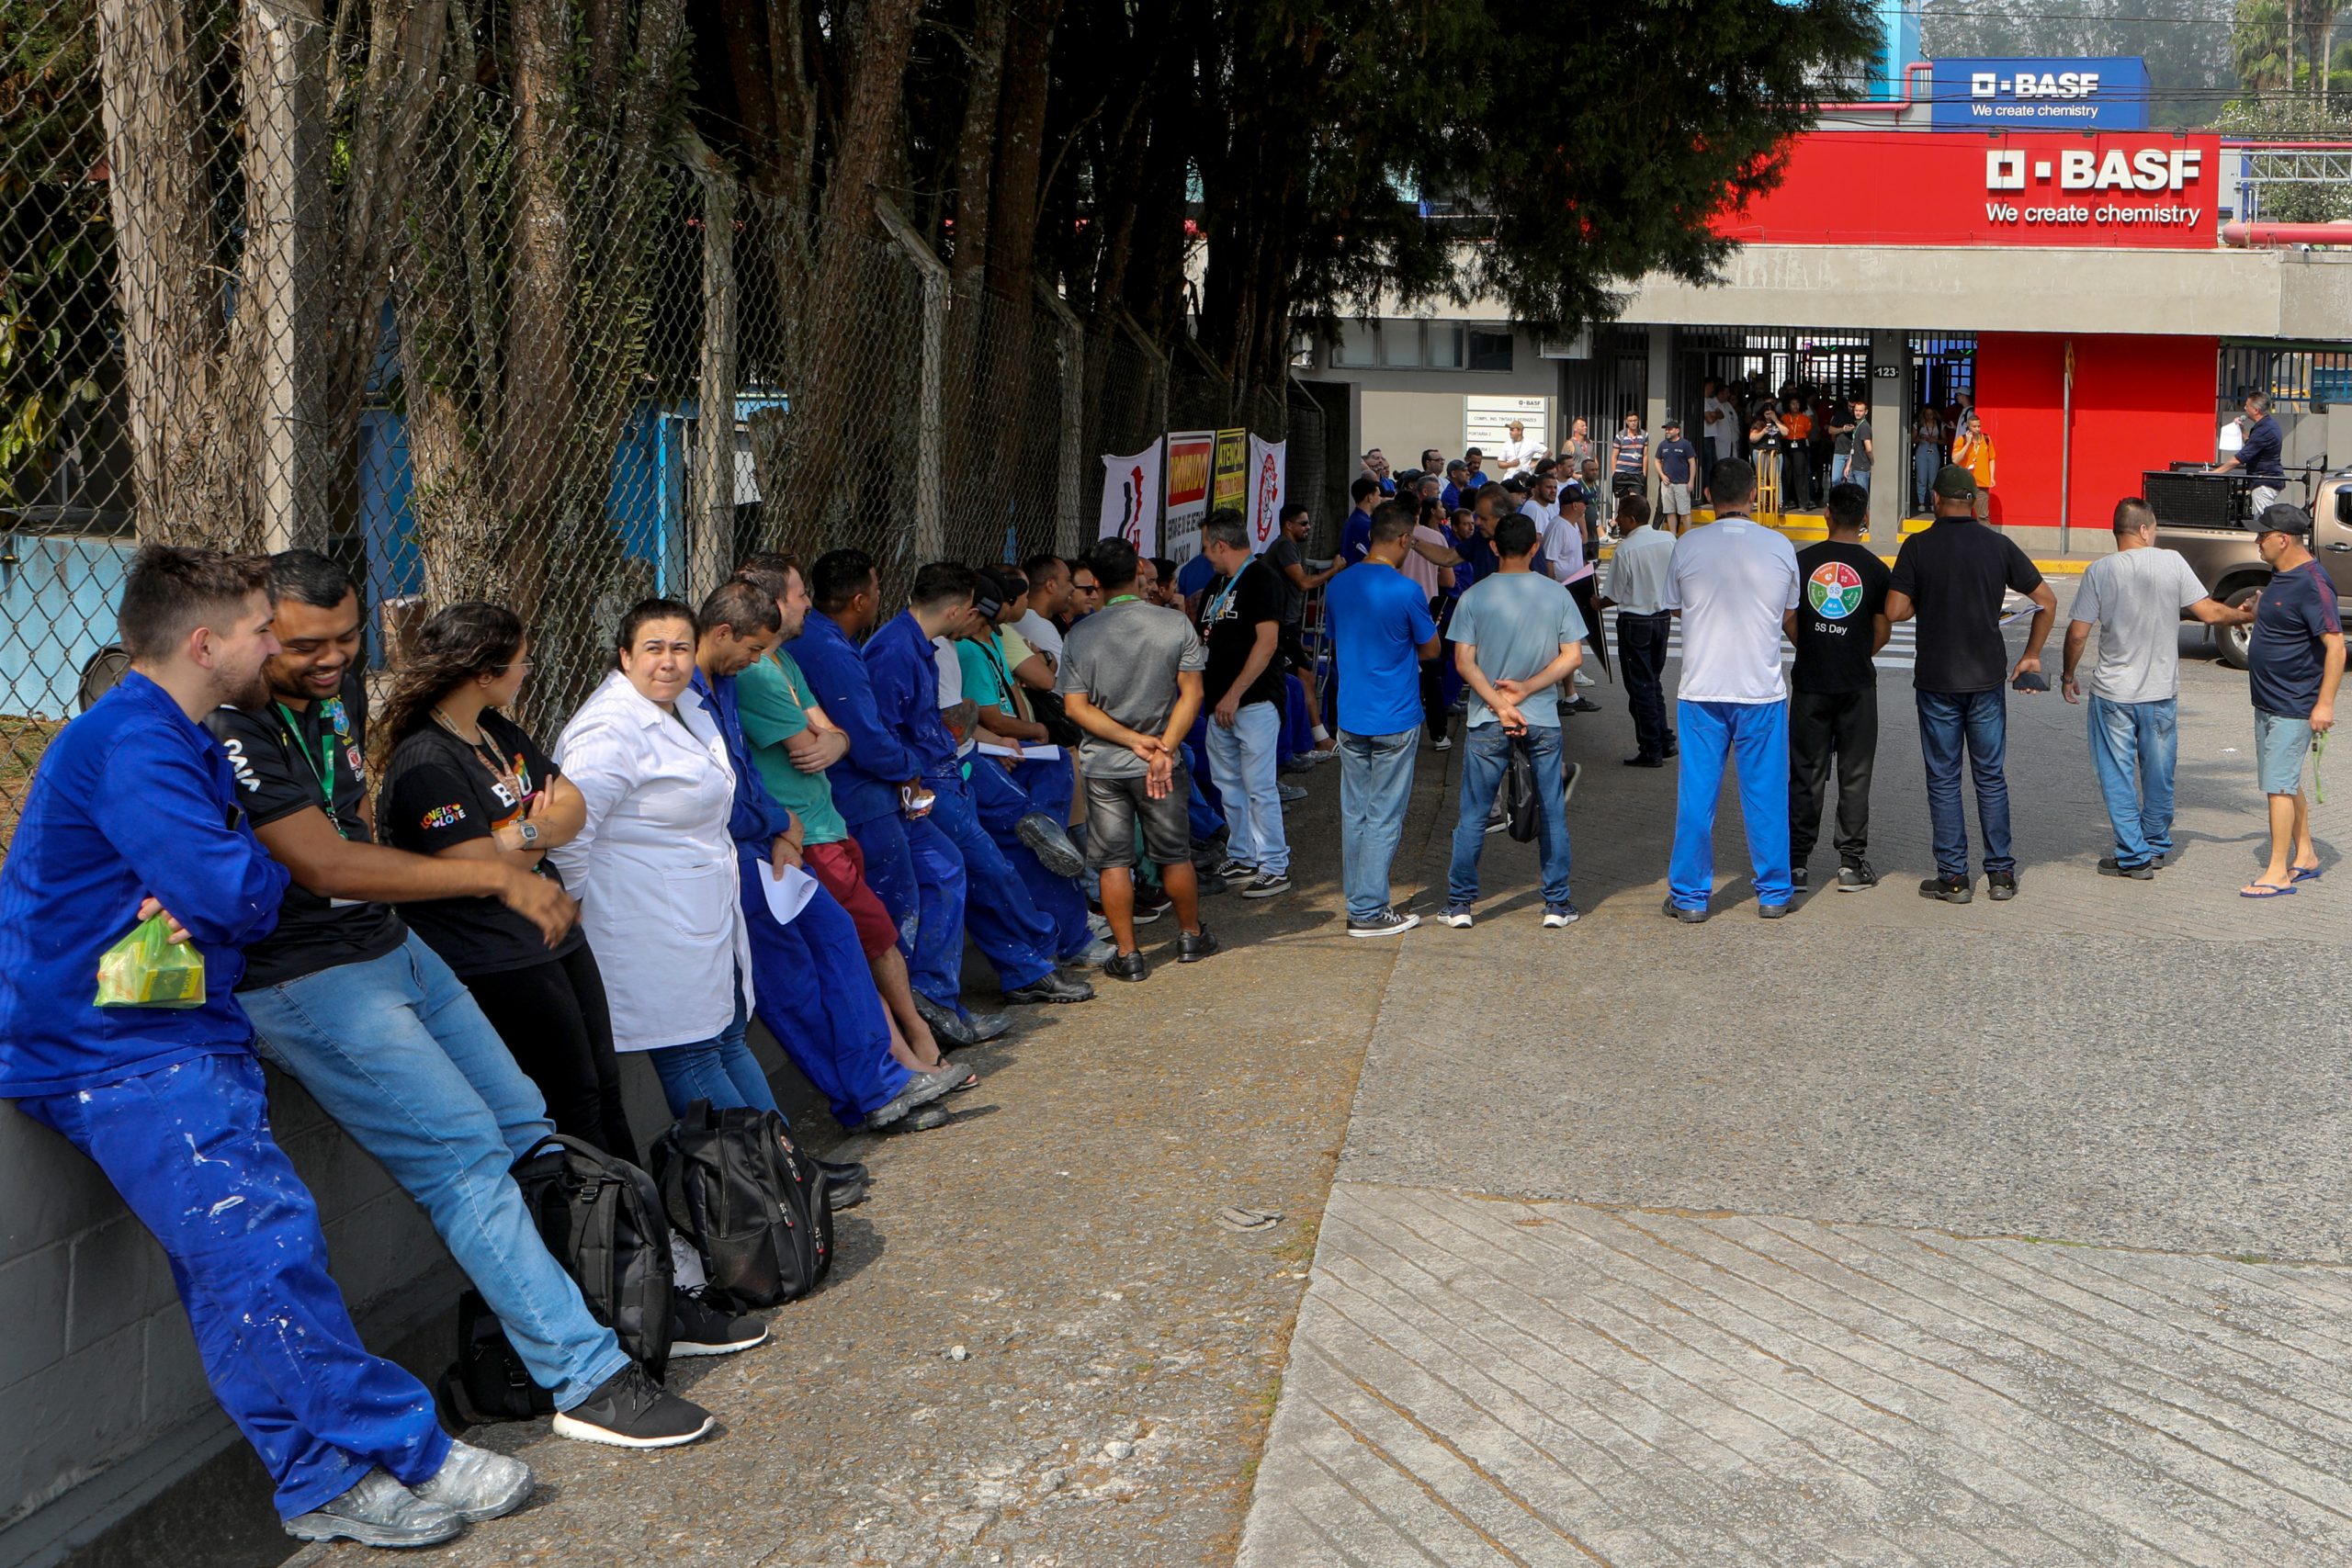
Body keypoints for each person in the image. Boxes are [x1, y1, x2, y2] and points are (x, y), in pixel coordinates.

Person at [0, 547, 535, 1549]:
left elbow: (230, 887)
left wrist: (225, 870)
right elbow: (244, 897)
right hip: (115, 1051)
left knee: (234, 1267)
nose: (274, 644)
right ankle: (411, 1446)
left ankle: (319, 1481)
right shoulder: (138, 747)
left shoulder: (175, 735)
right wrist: (242, 865)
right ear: (206, 644)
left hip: (171, 1031)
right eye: (259, 630)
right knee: (265, 1244)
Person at [209, 554, 717, 1451]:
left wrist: (499, 855)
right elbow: (325, 862)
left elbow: (380, 831)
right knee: (465, 1157)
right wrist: (497, 870)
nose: (332, 659)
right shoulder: (230, 729)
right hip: (308, 980)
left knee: (528, 1122)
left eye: (346, 638)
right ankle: (582, 1377)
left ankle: (620, 1318)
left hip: (389, 947)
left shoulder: (328, 703)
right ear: (251, 633)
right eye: (305, 644)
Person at [687, 580, 968, 1132]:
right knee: (791, 984)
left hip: (775, 835)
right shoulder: (706, 687)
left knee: (842, 940)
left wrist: (780, 821)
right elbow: (746, 775)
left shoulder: (729, 678)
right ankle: (868, 1094)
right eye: (751, 649)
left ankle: (884, 1079)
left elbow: (825, 742)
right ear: (723, 632)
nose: (757, 660)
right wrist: (780, 823)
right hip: (746, 850)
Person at [371, 603, 637, 1162]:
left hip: (554, 932)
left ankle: (644, 1230)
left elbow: (574, 806)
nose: (526, 672)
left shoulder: (494, 729)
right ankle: (600, 1241)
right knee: (571, 1100)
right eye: (520, 663)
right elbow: (479, 873)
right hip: (496, 955)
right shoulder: (426, 760)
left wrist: (522, 833)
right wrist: (537, 833)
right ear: (484, 673)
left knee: (606, 1086)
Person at [791, 549, 1009, 1049]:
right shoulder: (837, 648)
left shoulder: (834, 641)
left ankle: (933, 1000)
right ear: (861, 598)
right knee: (900, 904)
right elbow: (868, 735)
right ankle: (917, 1013)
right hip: (867, 796)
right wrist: (908, 772)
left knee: (944, 872)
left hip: (886, 787)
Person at [870, 562, 1098, 1005]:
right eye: (976, 611)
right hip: (930, 779)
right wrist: (917, 781)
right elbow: (898, 730)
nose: (980, 622)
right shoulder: (898, 650)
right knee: (987, 870)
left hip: (954, 767)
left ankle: (1029, 963)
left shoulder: (925, 645)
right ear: (958, 610)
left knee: (994, 863)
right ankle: (1030, 954)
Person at [1885, 466, 2058, 904]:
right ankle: (2001, 875)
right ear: (1975, 503)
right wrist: (2031, 654)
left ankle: (1954, 879)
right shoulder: (1997, 545)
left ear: (1937, 501)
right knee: (1990, 777)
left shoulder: (1918, 546)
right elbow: (2046, 601)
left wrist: (1924, 593)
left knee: (1944, 779)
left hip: (1938, 680)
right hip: (1985, 680)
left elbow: (1895, 612)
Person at [2061, 498, 2253, 879]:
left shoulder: (2099, 571)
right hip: (2160, 693)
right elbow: (2212, 613)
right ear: (2145, 529)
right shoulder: (2172, 562)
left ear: (2117, 531)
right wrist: (2247, 614)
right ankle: (2156, 847)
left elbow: (2078, 633)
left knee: (2116, 775)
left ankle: (2133, 856)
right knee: (2159, 774)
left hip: (2113, 694)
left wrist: (2068, 676)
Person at [1056, 536, 1220, 981]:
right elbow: (1193, 694)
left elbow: (1075, 707)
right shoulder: (1171, 625)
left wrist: (1130, 741)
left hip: (1105, 766)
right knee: (1174, 854)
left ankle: (1128, 955)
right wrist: (1162, 746)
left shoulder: (1081, 632)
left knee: (1112, 862)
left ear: (1095, 581)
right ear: (1138, 571)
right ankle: (1190, 935)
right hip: (1160, 764)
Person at [1660, 459, 1802, 923]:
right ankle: (1774, 892)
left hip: (1702, 688)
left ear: (1706, 493)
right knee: (1765, 795)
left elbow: (1677, 608)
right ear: (1755, 495)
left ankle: (1690, 897)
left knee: (1696, 797)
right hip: (1761, 690)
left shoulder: (1687, 545)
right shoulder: (1780, 546)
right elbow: (1786, 613)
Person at [1437, 512, 1586, 931]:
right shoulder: (1556, 595)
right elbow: (1572, 656)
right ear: (1535, 548)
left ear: (1494, 547)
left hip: (1487, 719)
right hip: (1541, 719)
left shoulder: (1474, 597)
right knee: (1552, 811)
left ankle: (1460, 904)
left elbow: (1464, 662)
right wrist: (1527, 688)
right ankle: (1557, 904)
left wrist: (1500, 704)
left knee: (1473, 814)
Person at [1324, 500, 1442, 935]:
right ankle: (1369, 909)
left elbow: (1338, 637)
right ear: (1405, 540)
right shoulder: (1407, 590)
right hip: (1394, 713)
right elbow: (1431, 650)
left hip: (1351, 712)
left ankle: (1359, 899)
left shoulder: (1338, 584)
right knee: (1384, 815)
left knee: (1355, 812)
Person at [1787, 483, 1892, 893]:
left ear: (1826, 514)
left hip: (1810, 682)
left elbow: (1788, 617)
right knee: (1855, 773)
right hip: (1857, 684)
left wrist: (1813, 645)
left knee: (1805, 772)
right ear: (1864, 518)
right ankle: (1850, 863)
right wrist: (1854, 650)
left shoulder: (1801, 562)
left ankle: (1796, 863)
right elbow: (1882, 629)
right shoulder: (1876, 569)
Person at [2237, 503, 2344, 897]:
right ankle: (2307, 856)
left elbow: (2335, 647)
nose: (2256, 541)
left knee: (2277, 788)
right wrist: (2259, 606)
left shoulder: (2314, 583)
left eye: (2262, 536)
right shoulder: (2281, 575)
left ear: (2283, 539)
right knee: (2283, 780)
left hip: (2294, 702)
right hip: (2268, 699)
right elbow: (2285, 617)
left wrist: (2325, 704)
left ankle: (2278, 872)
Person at [1196, 512, 1293, 898]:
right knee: (1228, 784)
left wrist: (1235, 693)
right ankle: (1242, 853)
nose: (1204, 555)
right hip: (1219, 704)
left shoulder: (1262, 578)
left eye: (1206, 547)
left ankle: (1274, 863)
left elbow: (1267, 643)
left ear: (1221, 544)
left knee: (1259, 786)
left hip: (1252, 702)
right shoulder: (1216, 583)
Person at [1600, 492, 1677, 767]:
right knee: (1653, 681)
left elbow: (1614, 594)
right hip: (1662, 619)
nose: (1617, 520)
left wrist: (1597, 603)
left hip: (1636, 621)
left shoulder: (1626, 549)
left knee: (1640, 686)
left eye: (1620, 515)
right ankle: (1664, 738)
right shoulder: (1669, 539)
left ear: (1631, 520)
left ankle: (1651, 747)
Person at [1265, 500, 1339, 756]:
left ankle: (1313, 737)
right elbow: (1304, 583)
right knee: (1306, 675)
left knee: (1305, 674)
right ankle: (1319, 738)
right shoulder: (1284, 546)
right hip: (1283, 625)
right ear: (1288, 524)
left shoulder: (1288, 547)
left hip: (1290, 625)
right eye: (1303, 523)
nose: (1308, 527)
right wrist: (1334, 569)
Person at [1405, 494, 1464, 747]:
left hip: (1395, 611)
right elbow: (1449, 581)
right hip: (1428, 610)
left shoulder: (1389, 540)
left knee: (1400, 670)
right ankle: (1439, 733)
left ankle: (1403, 728)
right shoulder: (1436, 538)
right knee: (1432, 672)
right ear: (1420, 511)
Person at [2211, 391, 2288, 514]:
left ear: (2256, 410)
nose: (2245, 408)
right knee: (2262, 519)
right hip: (2266, 479)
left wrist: (2214, 473)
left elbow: (2241, 457)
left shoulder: (2265, 429)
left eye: (2247, 406)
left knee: (2262, 521)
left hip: (2264, 481)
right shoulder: (2266, 425)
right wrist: (2241, 429)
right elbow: (2251, 443)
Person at [1015, 554, 1070, 670]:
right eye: (1068, 580)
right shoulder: (1040, 628)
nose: (1072, 587)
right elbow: (1067, 682)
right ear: (1051, 585)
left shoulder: (1018, 619)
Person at [1651, 416, 1701, 536]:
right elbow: (1657, 460)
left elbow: (1692, 462)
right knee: (1670, 511)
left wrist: (1691, 481)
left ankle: (1687, 535)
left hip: (1682, 483)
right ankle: (1673, 535)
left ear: (1677, 430)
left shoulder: (1685, 444)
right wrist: (1662, 476)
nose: (1667, 431)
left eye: (1670, 429)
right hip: (1667, 484)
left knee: (1684, 512)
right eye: (1666, 429)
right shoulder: (1663, 445)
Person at [1951, 410, 1996, 524]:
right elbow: (1955, 460)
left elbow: (1992, 459)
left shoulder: (1986, 439)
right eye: (1974, 426)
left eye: (1979, 426)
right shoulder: (1961, 440)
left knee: (1983, 517)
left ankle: (1984, 540)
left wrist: (1992, 477)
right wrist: (1967, 444)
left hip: (1982, 484)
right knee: (1961, 515)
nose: (1977, 429)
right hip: (1965, 483)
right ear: (1969, 426)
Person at [1779, 399, 1815, 512]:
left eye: (1797, 403)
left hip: (1799, 444)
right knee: (1786, 473)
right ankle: (1787, 501)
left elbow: (1808, 431)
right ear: (1788, 405)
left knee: (1800, 473)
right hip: (1786, 444)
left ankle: (1803, 503)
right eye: (1792, 403)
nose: (1795, 405)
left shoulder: (1805, 418)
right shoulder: (1784, 418)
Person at [1340, 476, 1380, 568]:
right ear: (1370, 497)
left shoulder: (1354, 520)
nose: (1380, 499)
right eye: (1378, 495)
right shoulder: (1364, 524)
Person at [1912, 404, 1944, 513]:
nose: (1929, 416)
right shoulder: (1918, 424)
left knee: (1933, 479)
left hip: (1934, 450)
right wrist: (1920, 438)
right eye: (1927, 414)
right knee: (1921, 477)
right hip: (1922, 450)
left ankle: (1932, 502)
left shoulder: (1940, 425)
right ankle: (1921, 502)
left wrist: (1935, 440)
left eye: (1931, 414)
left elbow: (1945, 441)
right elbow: (1912, 440)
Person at [1610, 412, 1647, 497]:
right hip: (1621, 473)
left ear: (1638, 421)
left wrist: (1644, 474)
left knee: (1635, 500)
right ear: (1626, 421)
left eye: (1635, 420)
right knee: (1624, 501)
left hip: (1637, 474)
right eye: (1630, 421)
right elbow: (1614, 456)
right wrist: (1614, 474)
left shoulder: (1644, 435)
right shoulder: (1620, 435)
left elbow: (1645, 455)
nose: (1633, 423)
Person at [1844, 399, 1875, 495]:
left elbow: (1869, 448)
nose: (1858, 413)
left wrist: (1871, 460)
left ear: (1866, 412)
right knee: (1854, 497)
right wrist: (1848, 465)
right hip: (1854, 466)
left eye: (1860, 411)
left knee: (1862, 497)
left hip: (1861, 468)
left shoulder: (1864, 427)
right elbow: (1854, 448)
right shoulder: (1857, 426)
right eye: (1856, 410)